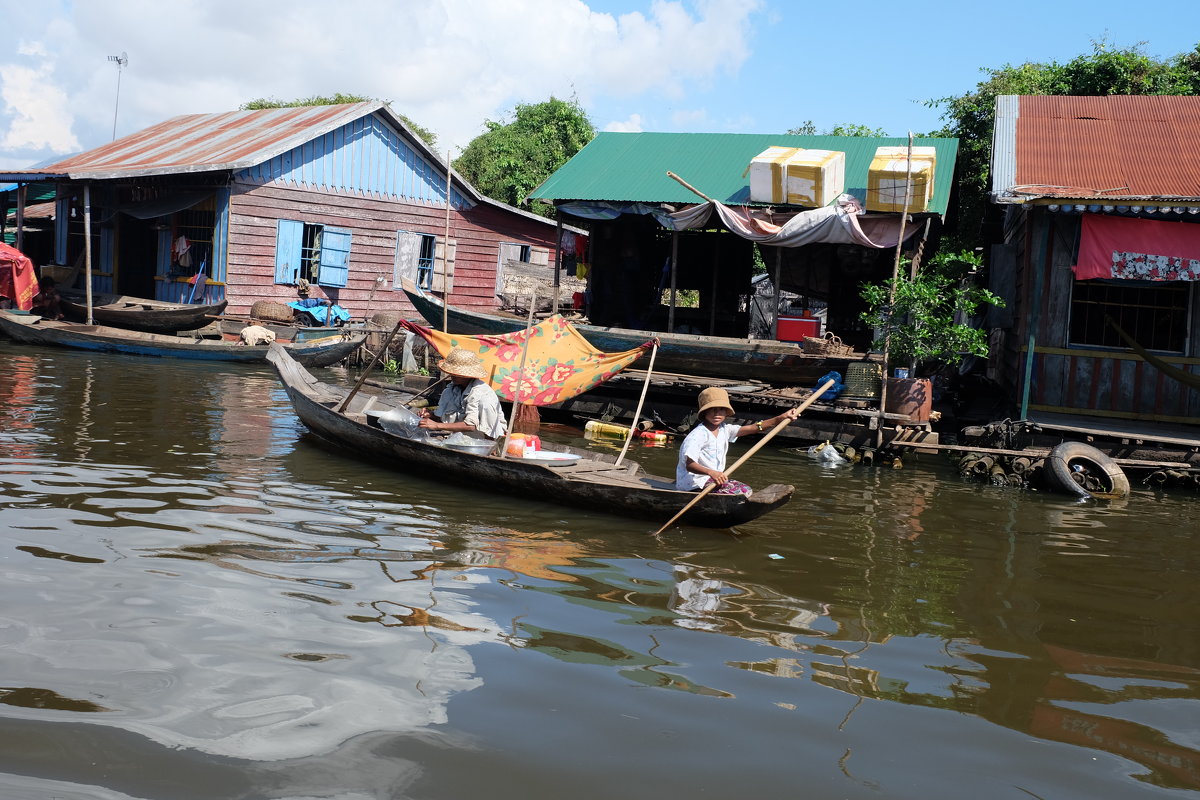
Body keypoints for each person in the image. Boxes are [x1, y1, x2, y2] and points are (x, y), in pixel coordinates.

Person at [675, 387, 799, 496]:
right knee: (736, 493)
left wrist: (781, 418)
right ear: (705, 412)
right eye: (712, 409)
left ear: (726, 412)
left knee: (746, 490)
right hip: (694, 483)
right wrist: (711, 472)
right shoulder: (698, 435)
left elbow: (754, 428)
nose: (717, 414)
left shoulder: (725, 429)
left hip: (713, 480)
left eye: (721, 409)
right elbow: (689, 464)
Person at [418, 348, 507, 439]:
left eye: (456, 373)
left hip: (483, 439)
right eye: (452, 372)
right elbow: (444, 416)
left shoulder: (480, 393)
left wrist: (436, 425)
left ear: (467, 375)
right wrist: (431, 415)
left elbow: (470, 426)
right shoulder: (452, 389)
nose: (452, 375)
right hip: (459, 437)